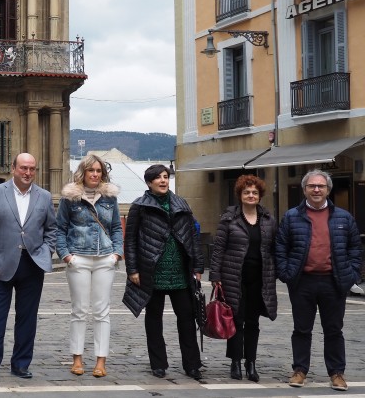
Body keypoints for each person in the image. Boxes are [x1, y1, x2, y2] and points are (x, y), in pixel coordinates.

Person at [276, 170, 362, 391]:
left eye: (320, 186)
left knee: (334, 330)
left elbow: (355, 248)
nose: (316, 190)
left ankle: (336, 373)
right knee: (302, 329)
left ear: (328, 190)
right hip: (302, 281)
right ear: (304, 189)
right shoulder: (292, 216)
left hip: (333, 282)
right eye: (312, 186)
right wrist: (286, 273)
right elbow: (280, 247)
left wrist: (352, 273)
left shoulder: (344, 217)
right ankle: (300, 371)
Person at [0, 153, 56, 380]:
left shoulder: (45, 196)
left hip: (32, 266)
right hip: (0, 265)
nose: (28, 172)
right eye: (23, 168)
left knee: (27, 319)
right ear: (13, 169)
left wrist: (46, 253)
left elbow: (52, 229)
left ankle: (21, 364)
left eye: (32, 168)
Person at [121, 164, 204, 380]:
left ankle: (192, 364)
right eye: (157, 178)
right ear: (149, 183)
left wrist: (198, 267)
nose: (163, 181)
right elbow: (130, 240)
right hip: (152, 270)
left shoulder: (181, 203)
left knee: (187, 318)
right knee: (154, 319)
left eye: (165, 177)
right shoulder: (139, 206)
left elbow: (193, 237)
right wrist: (132, 269)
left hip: (180, 272)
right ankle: (158, 363)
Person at [55, 154, 123, 378]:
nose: (95, 174)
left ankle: (101, 361)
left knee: (102, 311)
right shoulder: (70, 198)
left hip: (104, 258)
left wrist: (116, 254)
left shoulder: (109, 197)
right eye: (91, 170)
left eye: (99, 171)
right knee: (80, 310)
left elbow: (115, 227)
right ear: (82, 173)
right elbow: (60, 229)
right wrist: (66, 256)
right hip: (79, 258)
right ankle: (77, 358)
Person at [209, 174, 278, 382]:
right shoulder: (229, 218)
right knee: (236, 320)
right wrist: (215, 275)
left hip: (260, 278)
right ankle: (236, 361)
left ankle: (251, 362)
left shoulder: (268, 220)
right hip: (233, 277)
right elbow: (219, 248)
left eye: (254, 192)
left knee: (253, 322)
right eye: (246, 192)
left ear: (260, 196)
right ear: (240, 195)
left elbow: (273, 249)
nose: (251, 195)